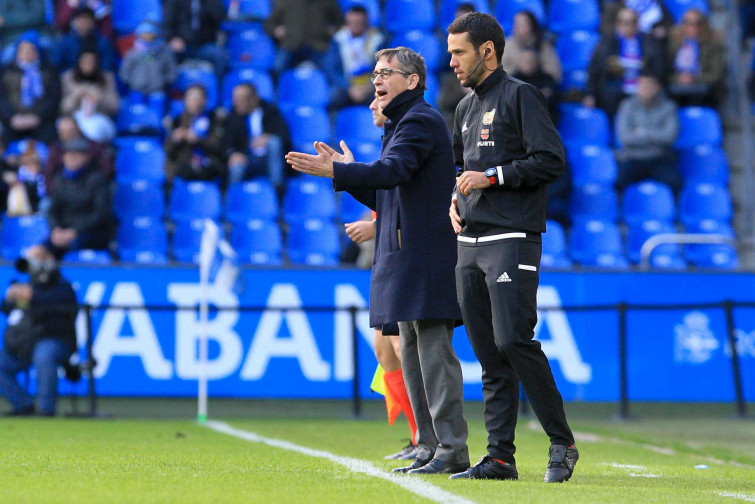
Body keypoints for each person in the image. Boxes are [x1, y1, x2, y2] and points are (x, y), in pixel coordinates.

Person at [286, 46, 470, 476]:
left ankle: (451, 448)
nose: (377, 81)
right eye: (374, 74)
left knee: (432, 356)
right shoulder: (402, 125)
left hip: (422, 257)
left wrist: (338, 173)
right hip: (403, 256)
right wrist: (348, 175)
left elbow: (391, 174)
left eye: (386, 73)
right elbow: (390, 193)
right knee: (411, 356)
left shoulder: (420, 121)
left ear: (412, 81)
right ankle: (427, 445)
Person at [446, 12, 578, 482]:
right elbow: (461, 171)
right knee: (487, 353)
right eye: (449, 54)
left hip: (511, 237)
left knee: (512, 340)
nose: (453, 63)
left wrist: (494, 176)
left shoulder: (521, 96)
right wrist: (454, 201)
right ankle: (500, 456)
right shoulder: (463, 109)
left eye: (459, 52)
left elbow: (549, 160)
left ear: (487, 50)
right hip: (470, 239)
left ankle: (561, 442)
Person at [344, 95, 418, 461]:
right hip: (389, 257)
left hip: (409, 258)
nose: (374, 105)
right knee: (385, 349)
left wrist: (375, 226)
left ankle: (428, 438)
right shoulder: (390, 140)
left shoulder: (410, 136)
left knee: (405, 347)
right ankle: (416, 435)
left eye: (380, 97)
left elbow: (417, 199)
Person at [0, 245, 78, 416]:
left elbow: (66, 302)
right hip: (25, 342)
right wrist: (11, 297)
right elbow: (6, 308)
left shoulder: (61, 285)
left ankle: (46, 409)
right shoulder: (27, 285)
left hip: (55, 339)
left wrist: (33, 297)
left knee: (44, 356)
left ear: (48, 259)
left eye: (35, 258)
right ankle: (23, 404)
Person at [583, 7, 665, 120]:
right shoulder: (607, 41)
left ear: (637, 23)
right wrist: (590, 93)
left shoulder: (648, 41)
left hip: (643, 86)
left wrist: (650, 81)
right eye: (622, 21)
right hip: (616, 85)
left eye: (631, 22)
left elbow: (658, 67)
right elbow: (595, 68)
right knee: (608, 96)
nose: (626, 25)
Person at [45, 138, 113, 256]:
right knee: (39, 251)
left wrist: (75, 231)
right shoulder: (60, 179)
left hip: (92, 232)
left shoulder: (97, 179)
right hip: (64, 231)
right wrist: (56, 229)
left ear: (86, 157)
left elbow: (100, 213)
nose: (72, 158)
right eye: (68, 154)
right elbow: (52, 211)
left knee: (71, 247)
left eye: (76, 154)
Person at [615, 72, 680, 192]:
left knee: (675, 183)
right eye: (643, 85)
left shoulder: (668, 107)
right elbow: (625, 137)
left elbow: (669, 136)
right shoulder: (627, 106)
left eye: (650, 86)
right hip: (633, 157)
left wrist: (643, 132)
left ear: (658, 87)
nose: (647, 89)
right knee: (619, 183)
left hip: (659, 157)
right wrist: (656, 135)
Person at [222, 83, 291, 188]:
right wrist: (232, 154)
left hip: (269, 159)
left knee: (274, 142)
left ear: (254, 99)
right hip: (247, 158)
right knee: (236, 166)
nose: (236, 103)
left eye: (241, 99)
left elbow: (284, 136)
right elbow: (226, 143)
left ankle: (277, 189)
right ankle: (233, 197)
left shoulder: (270, 112)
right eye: (235, 98)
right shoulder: (232, 116)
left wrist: (267, 138)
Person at [0, 30, 61, 144]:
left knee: (50, 136)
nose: (26, 53)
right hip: (12, 120)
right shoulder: (6, 71)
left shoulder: (48, 70)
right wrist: (11, 118)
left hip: (42, 120)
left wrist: (37, 117)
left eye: (31, 49)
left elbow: (53, 98)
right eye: (23, 49)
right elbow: (2, 98)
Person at [165, 84, 225, 183]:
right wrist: (175, 139)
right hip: (183, 166)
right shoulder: (176, 121)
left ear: (205, 101)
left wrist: (197, 140)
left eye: (197, 99)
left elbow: (219, 145)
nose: (194, 102)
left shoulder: (215, 120)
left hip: (209, 166)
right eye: (191, 99)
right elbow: (168, 150)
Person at [666, 8, 725, 107]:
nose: (694, 27)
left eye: (698, 23)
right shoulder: (673, 43)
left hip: (704, 88)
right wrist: (678, 79)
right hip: (676, 86)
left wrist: (695, 79)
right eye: (689, 23)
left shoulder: (713, 44)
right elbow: (665, 70)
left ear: (704, 25)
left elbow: (716, 73)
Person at [329, 4, 384, 110]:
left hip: (370, 85)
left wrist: (369, 86)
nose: (355, 25)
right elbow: (333, 70)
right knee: (333, 98)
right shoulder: (338, 40)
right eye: (352, 23)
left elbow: (381, 69)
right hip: (346, 85)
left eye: (359, 23)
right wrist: (349, 88)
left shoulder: (377, 40)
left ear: (366, 22)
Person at [265, 0, 342, 75]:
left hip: (318, 45)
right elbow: (269, 24)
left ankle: (345, 87)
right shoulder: (285, 1)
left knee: (331, 69)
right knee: (278, 68)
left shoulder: (328, 1)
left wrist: (333, 29)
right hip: (291, 44)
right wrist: (275, 30)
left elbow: (339, 21)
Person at [44, 115, 114, 195]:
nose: (66, 135)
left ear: (78, 130)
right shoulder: (55, 149)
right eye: (62, 132)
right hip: (62, 193)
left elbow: (107, 171)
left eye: (70, 131)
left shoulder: (95, 148)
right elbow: (49, 175)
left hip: (90, 191)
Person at [119, 21, 177, 111]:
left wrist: (163, 82)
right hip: (137, 89)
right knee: (136, 109)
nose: (147, 37)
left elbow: (172, 71)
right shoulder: (132, 53)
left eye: (150, 34)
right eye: (145, 34)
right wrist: (132, 82)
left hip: (158, 90)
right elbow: (125, 71)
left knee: (158, 105)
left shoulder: (165, 52)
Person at [163, 0, 227, 79]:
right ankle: (170, 89)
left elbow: (220, 17)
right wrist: (172, 39)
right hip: (182, 45)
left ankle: (217, 88)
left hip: (204, 45)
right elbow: (167, 22)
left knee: (220, 56)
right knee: (166, 54)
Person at [501, 10, 562, 84]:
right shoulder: (506, 46)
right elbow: (500, 74)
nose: (516, 28)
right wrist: (519, 67)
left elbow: (555, 73)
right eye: (515, 24)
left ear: (531, 26)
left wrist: (534, 66)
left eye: (521, 25)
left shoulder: (543, 46)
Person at [55, 7, 117, 72]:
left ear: (93, 22)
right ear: (75, 22)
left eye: (87, 19)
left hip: (98, 79)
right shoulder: (65, 42)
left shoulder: (103, 43)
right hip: (69, 79)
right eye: (81, 19)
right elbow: (56, 65)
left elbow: (107, 68)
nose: (84, 23)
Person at [512, 48, 560, 125]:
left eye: (531, 61)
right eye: (525, 61)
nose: (529, 63)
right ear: (519, 62)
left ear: (536, 62)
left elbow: (552, 100)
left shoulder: (547, 79)